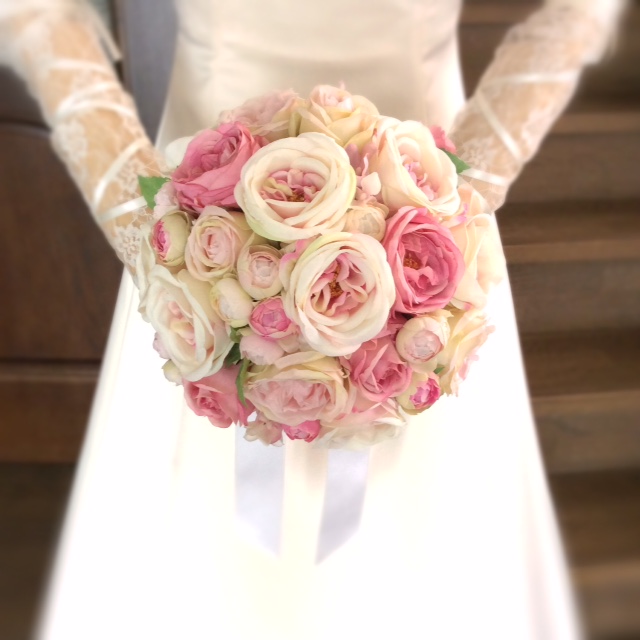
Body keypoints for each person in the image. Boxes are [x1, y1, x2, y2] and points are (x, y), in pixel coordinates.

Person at [0, 0, 625, 637]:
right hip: (197, 236)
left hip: (426, 236)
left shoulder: (435, 237)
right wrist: (149, 236)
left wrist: (453, 208)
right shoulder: (184, 253)